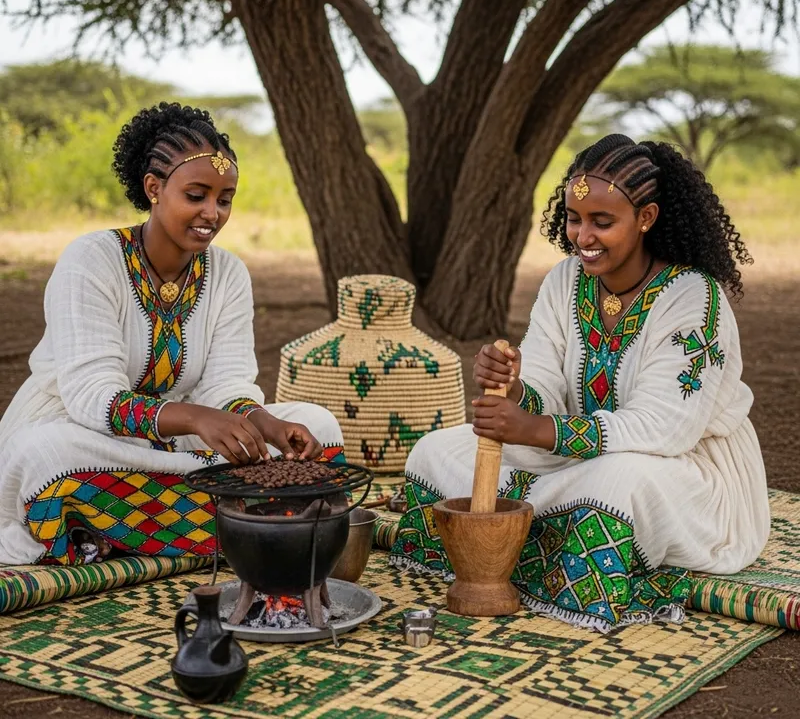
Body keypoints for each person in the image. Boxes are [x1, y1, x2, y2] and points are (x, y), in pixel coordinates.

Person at [390, 134, 770, 631]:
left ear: (647, 219)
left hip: (681, 469)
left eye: (602, 222)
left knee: (616, 483)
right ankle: (525, 548)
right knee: (435, 452)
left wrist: (536, 430)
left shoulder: (693, 297)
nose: (582, 236)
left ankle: (520, 551)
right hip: (572, 452)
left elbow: (665, 428)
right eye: (573, 218)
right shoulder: (565, 281)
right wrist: (513, 386)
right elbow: (545, 387)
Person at [0, 103, 343, 566]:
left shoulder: (228, 273)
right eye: (197, 195)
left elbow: (227, 384)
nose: (212, 213)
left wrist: (267, 426)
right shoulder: (91, 260)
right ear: (154, 188)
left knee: (320, 427)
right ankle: (259, 518)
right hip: (86, 435)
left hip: (175, 453)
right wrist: (198, 418)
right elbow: (91, 397)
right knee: (44, 457)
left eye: (224, 200)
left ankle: (128, 530)